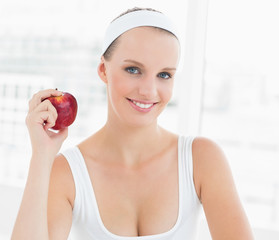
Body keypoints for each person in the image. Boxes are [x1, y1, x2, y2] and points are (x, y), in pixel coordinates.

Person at [11, 7, 254, 240]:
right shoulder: (67, 172)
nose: (149, 91)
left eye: (164, 75)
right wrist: (41, 158)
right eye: (133, 70)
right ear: (103, 70)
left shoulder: (202, 159)